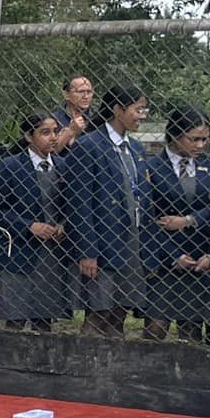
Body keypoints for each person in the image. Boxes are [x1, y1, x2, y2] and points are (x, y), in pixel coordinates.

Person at [61, 79, 149, 336]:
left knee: (120, 311)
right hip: (102, 241)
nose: (141, 116)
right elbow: (79, 203)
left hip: (131, 239)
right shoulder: (90, 146)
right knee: (98, 312)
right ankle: (83, 363)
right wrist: (87, 250)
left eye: (144, 110)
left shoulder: (136, 149)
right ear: (118, 109)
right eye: (137, 109)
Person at [141, 105, 210, 343]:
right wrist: (172, 256)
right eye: (194, 139)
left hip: (200, 260)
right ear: (176, 134)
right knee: (156, 328)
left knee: (192, 331)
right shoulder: (152, 168)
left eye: (204, 140)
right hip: (165, 260)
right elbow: (149, 219)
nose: (200, 146)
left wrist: (209, 251)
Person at [0, 113, 75, 331]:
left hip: (53, 252)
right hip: (19, 251)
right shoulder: (11, 166)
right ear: (29, 136)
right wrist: (29, 226)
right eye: (45, 132)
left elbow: (74, 206)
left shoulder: (65, 167)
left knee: (44, 318)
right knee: (15, 316)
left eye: (56, 131)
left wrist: (64, 224)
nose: (53, 137)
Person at [59, 75, 96, 143]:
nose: (86, 96)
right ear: (66, 94)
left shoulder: (96, 120)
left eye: (89, 92)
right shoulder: (54, 119)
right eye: (80, 91)